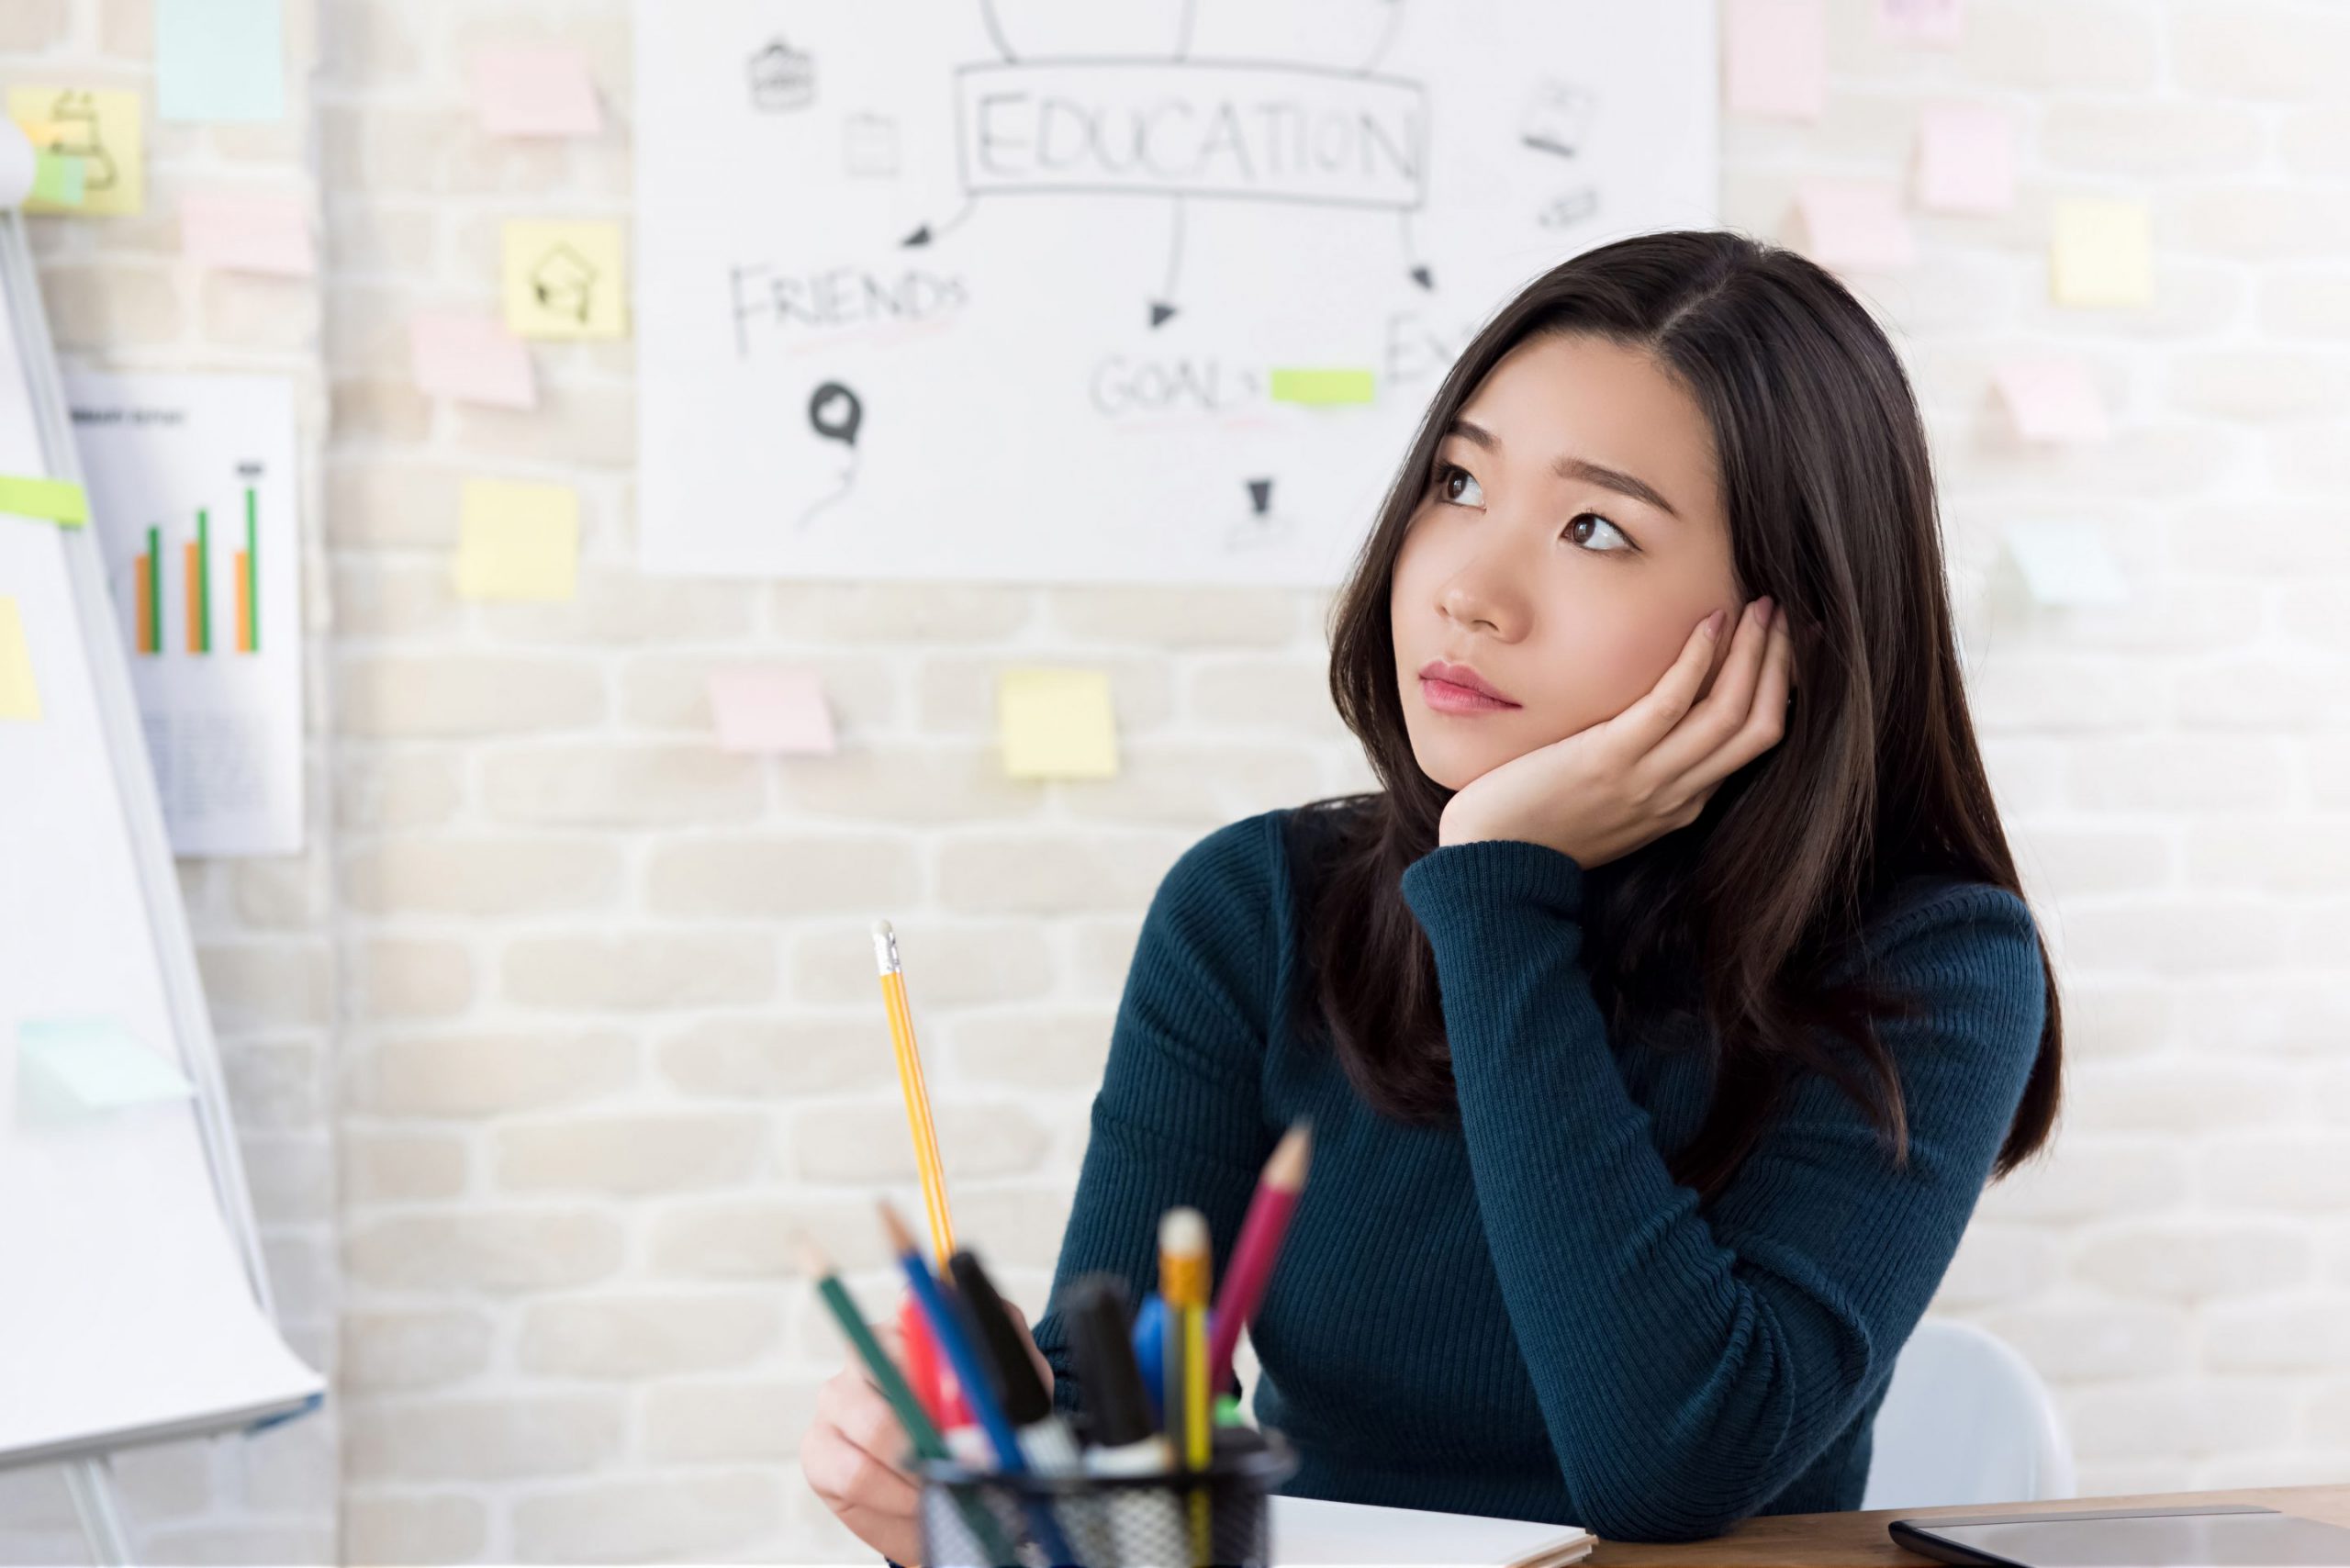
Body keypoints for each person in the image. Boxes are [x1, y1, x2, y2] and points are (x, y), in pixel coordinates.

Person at [801, 228, 2065, 1557]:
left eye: (1594, 527)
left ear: (1785, 628)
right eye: (1457, 481)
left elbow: (1670, 1469)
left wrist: (1498, 894)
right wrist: (978, 1468)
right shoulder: (1257, 908)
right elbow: (1129, 1409)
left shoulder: (1932, 964)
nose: (1467, 589)